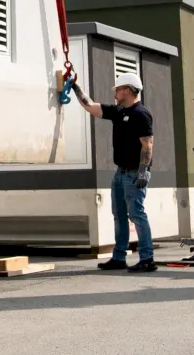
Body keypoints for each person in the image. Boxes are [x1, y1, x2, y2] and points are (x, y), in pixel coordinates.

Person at [70, 72, 157, 272]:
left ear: (126, 89)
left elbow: (147, 146)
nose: (115, 93)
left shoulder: (141, 114)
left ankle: (147, 258)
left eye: (117, 89)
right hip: (120, 173)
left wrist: (143, 172)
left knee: (136, 214)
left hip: (135, 173)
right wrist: (75, 87)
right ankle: (119, 257)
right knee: (119, 214)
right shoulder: (119, 112)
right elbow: (90, 106)